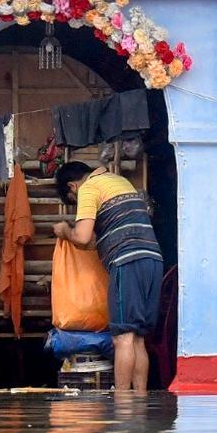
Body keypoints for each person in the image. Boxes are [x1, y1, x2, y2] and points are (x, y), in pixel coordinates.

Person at [53, 161, 163, 391]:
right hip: (152, 259)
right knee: (137, 338)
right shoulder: (119, 181)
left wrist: (65, 231)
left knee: (122, 338)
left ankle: (123, 404)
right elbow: (94, 241)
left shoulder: (89, 188)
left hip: (127, 260)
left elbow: (82, 237)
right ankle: (139, 400)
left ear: (72, 187)